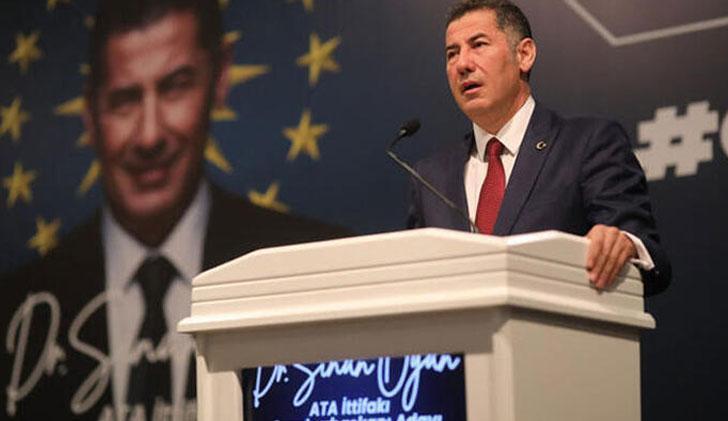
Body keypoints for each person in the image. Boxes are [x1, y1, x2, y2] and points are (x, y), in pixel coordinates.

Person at [0, 0, 348, 419]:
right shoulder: (17, 309)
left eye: (175, 87)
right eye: (124, 99)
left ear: (219, 79)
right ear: (90, 112)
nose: (149, 136)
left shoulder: (313, 270)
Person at [407, 0, 671, 295]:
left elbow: (647, 251)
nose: (462, 64)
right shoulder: (431, 176)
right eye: (452, 53)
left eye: (478, 45)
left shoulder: (587, 144)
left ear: (524, 54)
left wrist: (622, 243)